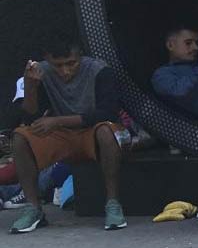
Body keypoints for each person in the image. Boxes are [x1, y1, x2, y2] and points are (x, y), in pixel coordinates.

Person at [4, 37, 127, 233]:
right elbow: (30, 116)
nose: (65, 71)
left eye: (71, 63)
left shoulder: (99, 70)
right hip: (61, 135)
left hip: (93, 131)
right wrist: (30, 86)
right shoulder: (41, 72)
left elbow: (107, 113)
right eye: (58, 65)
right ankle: (33, 208)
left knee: (106, 131)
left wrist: (58, 121)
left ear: (80, 56)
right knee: (21, 136)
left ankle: (113, 203)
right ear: (47, 60)